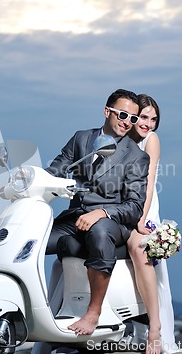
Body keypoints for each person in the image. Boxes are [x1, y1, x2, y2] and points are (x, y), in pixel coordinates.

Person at [45, 89, 149, 336]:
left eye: (133, 118)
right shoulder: (81, 139)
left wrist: (101, 212)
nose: (128, 122)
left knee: (99, 233)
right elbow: (55, 170)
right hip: (74, 217)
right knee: (32, 238)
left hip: (112, 221)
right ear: (107, 111)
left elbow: (134, 206)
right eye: (123, 114)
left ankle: (93, 312)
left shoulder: (136, 156)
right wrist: (29, 181)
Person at [127, 94, 177, 354]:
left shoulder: (151, 140)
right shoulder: (120, 137)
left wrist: (140, 218)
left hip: (144, 211)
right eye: (144, 117)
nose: (148, 124)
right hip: (120, 209)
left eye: (153, 119)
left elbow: (149, 181)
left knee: (139, 247)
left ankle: (154, 329)